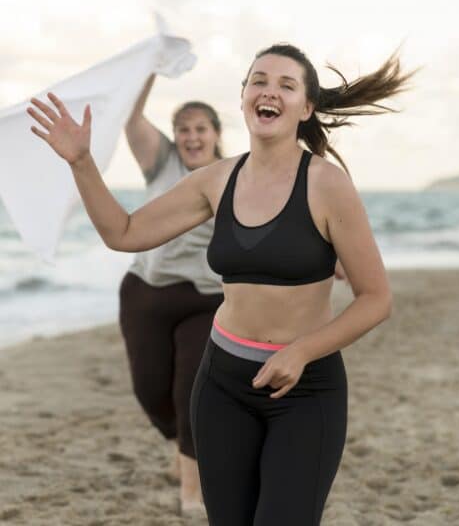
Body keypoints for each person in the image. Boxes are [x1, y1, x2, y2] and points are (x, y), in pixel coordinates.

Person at [27, 42, 411, 525]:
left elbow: (376, 299)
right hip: (222, 384)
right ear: (245, 96)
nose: (269, 91)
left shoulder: (327, 184)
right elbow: (123, 234)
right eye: (259, 81)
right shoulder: (215, 180)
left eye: (286, 85)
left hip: (305, 390)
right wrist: (81, 162)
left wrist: (301, 352)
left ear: (306, 107)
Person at [119, 75, 224, 513]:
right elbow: (130, 118)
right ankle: (181, 445)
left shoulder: (235, 172)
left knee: (189, 390)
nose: (191, 136)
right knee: (150, 390)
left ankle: (192, 492)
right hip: (146, 294)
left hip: (206, 297)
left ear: (217, 134)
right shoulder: (162, 163)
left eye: (201, 128)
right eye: (184, 128)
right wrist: (148, 69)